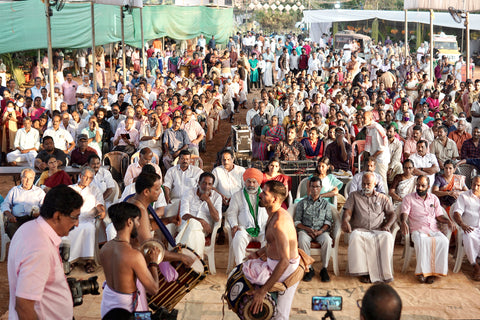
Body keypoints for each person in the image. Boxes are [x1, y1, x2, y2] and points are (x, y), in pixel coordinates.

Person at [7, 185, 82, 319]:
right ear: (57, 216)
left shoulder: (30, 229)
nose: (77, 223)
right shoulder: (39, 247)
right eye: (74, 217)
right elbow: (24, 306)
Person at [243, 180, 302, 320]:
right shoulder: (273, 214)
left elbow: (284, 261)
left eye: (264, 193)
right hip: (274, 264)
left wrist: (263, 291)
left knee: (279, 316)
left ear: (275, 199)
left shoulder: (279, 223)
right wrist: (259, 253)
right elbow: (272, 244)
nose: (260, 195)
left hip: (286, 271)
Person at [100, 202, 160, 319]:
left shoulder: (105, 248)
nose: (138, 225)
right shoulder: (134, 256)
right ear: (129, 222)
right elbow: (154, 289)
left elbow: (121, 270)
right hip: (126, 311)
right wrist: (153, 263)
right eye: (138, 221)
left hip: (107, 305)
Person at [342, 172, 396, 283]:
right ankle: (363, 272)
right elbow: (348, 212)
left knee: (387, 237)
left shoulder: (383, 198)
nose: (365, 187)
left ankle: (383, 272)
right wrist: (345, 221)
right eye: (363, 184)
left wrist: (387, 225)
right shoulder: (354, 196)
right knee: (355, 236)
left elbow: (392, 214)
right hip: (360, 230)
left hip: (378, 230)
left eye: (368, 184)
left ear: (375, 184)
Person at [400, 175, 453, 283]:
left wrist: (448, 221)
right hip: (418, 229)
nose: (419, 188)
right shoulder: (409, 198)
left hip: (433, 229)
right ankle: (423, 273)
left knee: (443, 241)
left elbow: (439, 216)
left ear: (428, 186)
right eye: (418, 185)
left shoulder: (434, 199)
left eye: (423, 186)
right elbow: (404, 213)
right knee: (422, 242)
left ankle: (434, 272)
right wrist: (403, 222)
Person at [67, 166, 106, 273]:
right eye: (85, 177)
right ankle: (71, 261)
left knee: (89, 228)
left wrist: (101, 211)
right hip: (73, 218)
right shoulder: (70, 189)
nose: (88, 180)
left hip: (88, 219)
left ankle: (88, 261)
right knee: (72, 229)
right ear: (80, 176)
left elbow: (100, 205)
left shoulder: (94, 190)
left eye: (90, 178)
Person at [226, 168, 268, 265]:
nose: (251, 185)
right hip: (244, 228)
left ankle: (264, 266)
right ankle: (240, 267)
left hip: (262, 227)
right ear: (245, 182)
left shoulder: (265, 195)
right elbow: (231, 213)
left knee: (269, 239)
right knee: (238, 238)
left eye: (254, 182)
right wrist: (234, 225)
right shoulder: (237, 196)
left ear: (258, 183)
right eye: (249, 182)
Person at [295, 176, 333, 282]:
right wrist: (307, 229)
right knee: (302, 238)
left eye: (317, 187)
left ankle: (324, 269)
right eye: (312, 187)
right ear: (309, 188)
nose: (315, 189)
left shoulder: (325, 204)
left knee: (327, 240)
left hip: (321, 231)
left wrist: (320, 231)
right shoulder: (302, 203)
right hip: (306, 231)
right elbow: (297, 222)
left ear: (321, 188)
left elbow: (328, 221)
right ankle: (309, 268)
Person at [176, 172, 222, 256]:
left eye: (209, 184)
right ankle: (195, 262)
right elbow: (184, 214)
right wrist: (200, 220)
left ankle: (180, 253)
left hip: (204, 229)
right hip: (186, 225)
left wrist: (208, 201)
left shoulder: (217, 197)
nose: (206, 186)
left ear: (212, 186)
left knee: (194, 226)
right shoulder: (189, 193)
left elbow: (217, 218)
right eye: (204, 183)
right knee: (195, 229)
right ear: (198, 183)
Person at [1, 168, 45, 238]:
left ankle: (30, 247)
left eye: (30, 178)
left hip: (34, 220)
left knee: (40, 229)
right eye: (25, 177)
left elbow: (45, 207)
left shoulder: (39, 192)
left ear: (33, 179)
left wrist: (39, 213)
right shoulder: (14, 190)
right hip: (17, 220)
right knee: (11, 227)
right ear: (21, 178)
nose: (28, 181)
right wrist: (9, 215)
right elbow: (5, 204)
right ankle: (20, 246)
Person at [453, 176, 480, 280]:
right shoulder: (464, 196)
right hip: (469, 228)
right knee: (469, 237)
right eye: (474, 184)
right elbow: (456, 213)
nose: (476, 187)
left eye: (478, 185)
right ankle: (475, 266)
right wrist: (462, 224)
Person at [363, 111, 390, 189]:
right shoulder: (369, 128)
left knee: (382, 181)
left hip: (380, 159)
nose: (362, 120)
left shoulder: (376, 129)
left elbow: (382, 147)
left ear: (370, 118)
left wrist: (372, 158)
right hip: (374, 158)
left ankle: (385, 198)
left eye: (364, 118)